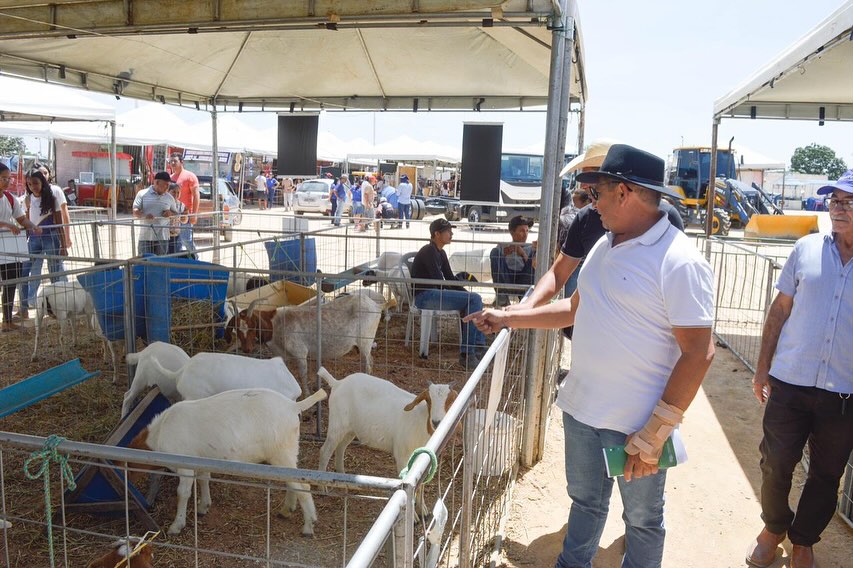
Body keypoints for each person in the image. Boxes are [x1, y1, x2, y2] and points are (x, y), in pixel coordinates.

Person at [466, 144, 715, 568]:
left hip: (634, 424)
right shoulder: (606, 245)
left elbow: (699, 353)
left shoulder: (679, 262)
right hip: (581, 410)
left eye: (596, 193)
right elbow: (575, 309)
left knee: (642, 520)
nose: (590, 203)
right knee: (584, 503)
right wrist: (509, 316)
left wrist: (656, 432)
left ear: (624, 192)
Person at [745, 170, 853, 568]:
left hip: (844, 393)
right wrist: (761, 370)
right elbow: (779, 311)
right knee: (774, 463)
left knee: (826, 474)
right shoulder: (806, 248)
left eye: (848, 202)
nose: (838, 209)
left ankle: (804, 539)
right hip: (789, 384)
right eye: (835, 201)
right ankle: (773, 528)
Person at [508, 140, 684, 340]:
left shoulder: (666, 223)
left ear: (617, 186)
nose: (583, 185)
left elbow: (692, 341)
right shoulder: (591, 225)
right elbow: (560, 276)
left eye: (592, 175)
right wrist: (527, 305)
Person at [411, 218, 487, 370]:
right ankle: (469, 352)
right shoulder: (429, 250)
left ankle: (476, 348)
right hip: (425, 296)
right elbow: (440, 280)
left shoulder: (441, 253)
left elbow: (450, 279)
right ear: (437, 234)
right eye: (448, 231)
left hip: (435, 293)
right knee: (474, 300)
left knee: (474, 300)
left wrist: (465, 293)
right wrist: (465, 294)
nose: (451, 234)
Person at [17, 168, 72, 320]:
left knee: (55, 271)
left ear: (42, 182)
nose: (32, 186)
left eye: (35, 183)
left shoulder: (52, 198)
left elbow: (59, 222)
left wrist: (63, 244)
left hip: (51, 238)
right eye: (29, 184)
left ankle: (61, 305)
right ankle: (24, 307)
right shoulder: (27, 200)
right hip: (34, 239)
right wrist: (26, 237)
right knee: (25, 272)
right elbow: (27, 219)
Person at [0, 163, 40, 331]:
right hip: (6, 241)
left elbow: (21, 219)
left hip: (9, 247)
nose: (8, 181)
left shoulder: (10, 198)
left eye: (9, 178)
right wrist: (7, 225)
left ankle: (7, 320)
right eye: (4, 178)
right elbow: (11, 223)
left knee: (11, 283)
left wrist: (33, 226)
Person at [490, 215, 537, 307]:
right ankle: (502, 298)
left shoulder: (531, 248)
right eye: (521, 231)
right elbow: (497, 266)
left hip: (524, 278)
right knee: (494, 252)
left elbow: (534, 267)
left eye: (527, 231)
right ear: (512, 232)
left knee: (535, 254)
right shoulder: (503, 246)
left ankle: (525, 299)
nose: (525, 234)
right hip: (507, 278)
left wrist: (523, 254)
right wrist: (503, 255)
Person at [133, 172, 178, 256]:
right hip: (145, 236)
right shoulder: (142, 194)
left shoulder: (169, 198)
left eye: (169, 185)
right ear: (157, 182)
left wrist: (170, 213)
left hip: (163, 237)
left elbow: (176, 214)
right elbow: (135, 211)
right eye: (165, 184)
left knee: (161, 262)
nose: (168, 187)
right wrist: (144, 216)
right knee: (143, 261)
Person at [169, 154, 199, 259]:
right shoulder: (170, 178)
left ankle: (196, 260)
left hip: (185, 215)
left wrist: (194, 214)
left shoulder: (190, 176)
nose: (172, 163)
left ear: (181, 162)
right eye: (171, 161)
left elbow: (196, 196)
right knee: (176, 243)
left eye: (175, 161)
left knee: (187, 240)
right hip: (173, 217)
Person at [167, 182, 188, 255]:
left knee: (176, 254)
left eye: (178, 192)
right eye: (173, 192)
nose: (176, 194)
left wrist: (184, 217)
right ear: (168, 191)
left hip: (176, 235)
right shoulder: (165, 203)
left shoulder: (181, 205)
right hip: (165, 235)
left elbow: (185, 221)